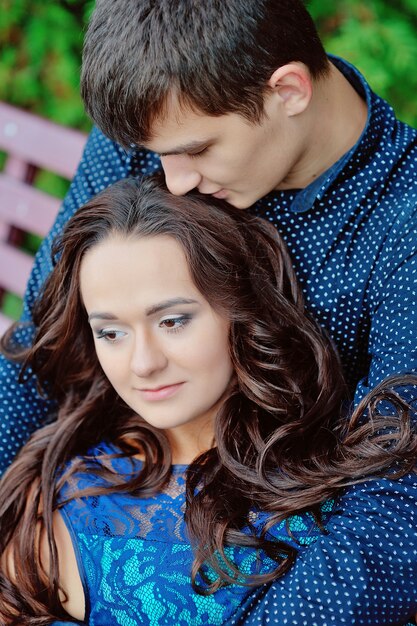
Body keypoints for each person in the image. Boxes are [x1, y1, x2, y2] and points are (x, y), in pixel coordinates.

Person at [0, 0, 417, 622]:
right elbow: (44, 346)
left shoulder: (402, 223)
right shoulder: (164, 124)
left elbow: (400, 508)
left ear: (289, 90)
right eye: (155, 154)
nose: (172, 181)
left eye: (196, 150)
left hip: (285, 543)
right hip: (125, 484)